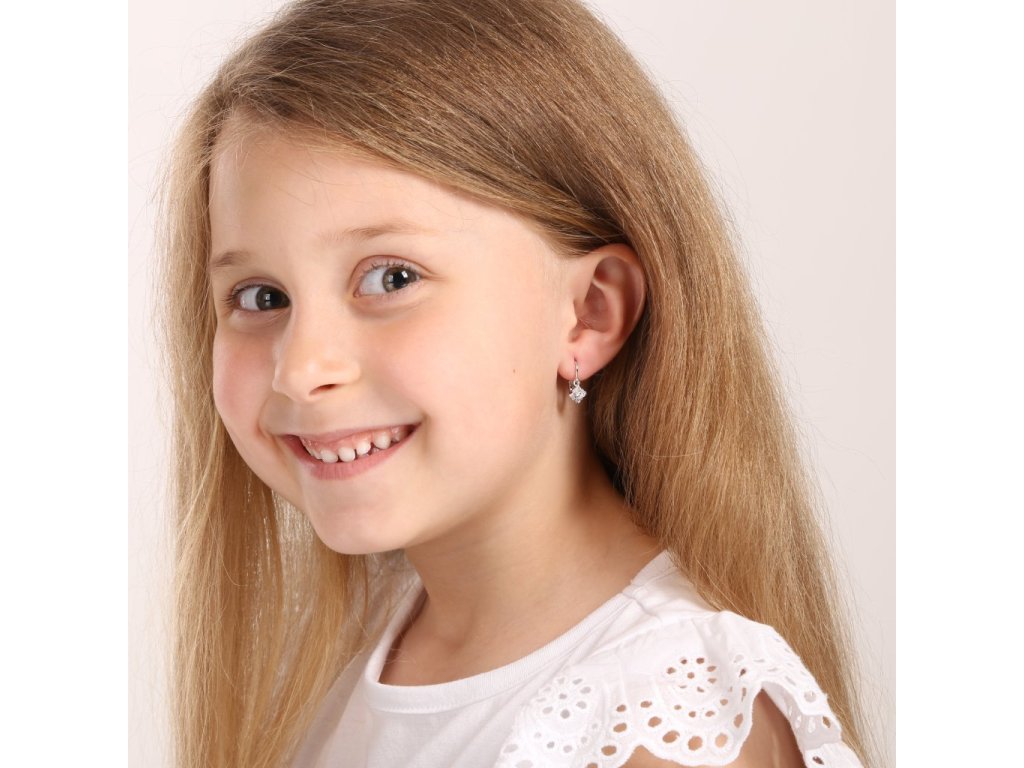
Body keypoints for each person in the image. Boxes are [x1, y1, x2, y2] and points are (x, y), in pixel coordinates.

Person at [160, 0, 872, 766]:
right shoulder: (344, 643)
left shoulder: (664, 719)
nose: (302, 370)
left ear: (588, 314)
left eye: (391, 278)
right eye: (262, 296)